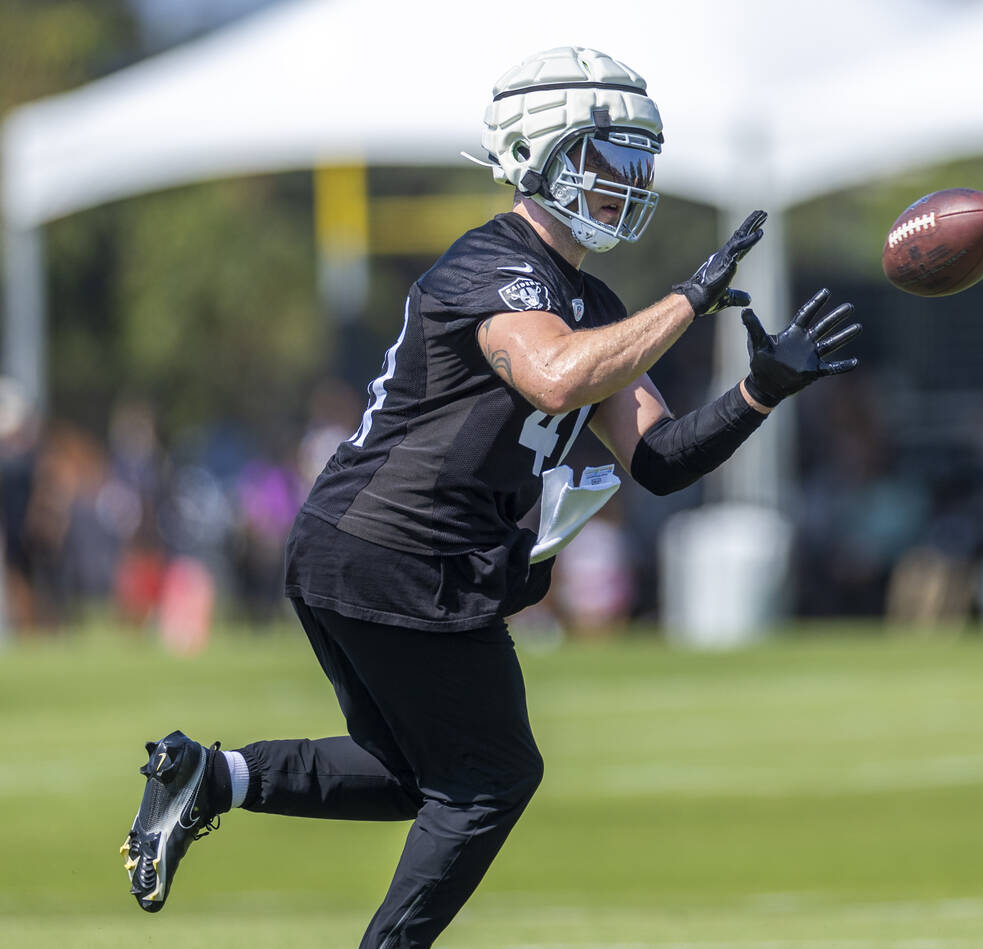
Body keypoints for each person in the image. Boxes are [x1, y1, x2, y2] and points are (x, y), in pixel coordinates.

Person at [118, 46, 862, 948]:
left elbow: (659, 458)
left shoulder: (590, 299)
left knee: (419, 774)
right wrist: (684, 300)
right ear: (537, 154)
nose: (626, 181)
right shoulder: (493, 264)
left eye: (637, 162)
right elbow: (554, 378)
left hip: (377, 551)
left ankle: (212, 777)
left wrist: (759, 393)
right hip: (396, 550)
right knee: (489, 779)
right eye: (604, 158)